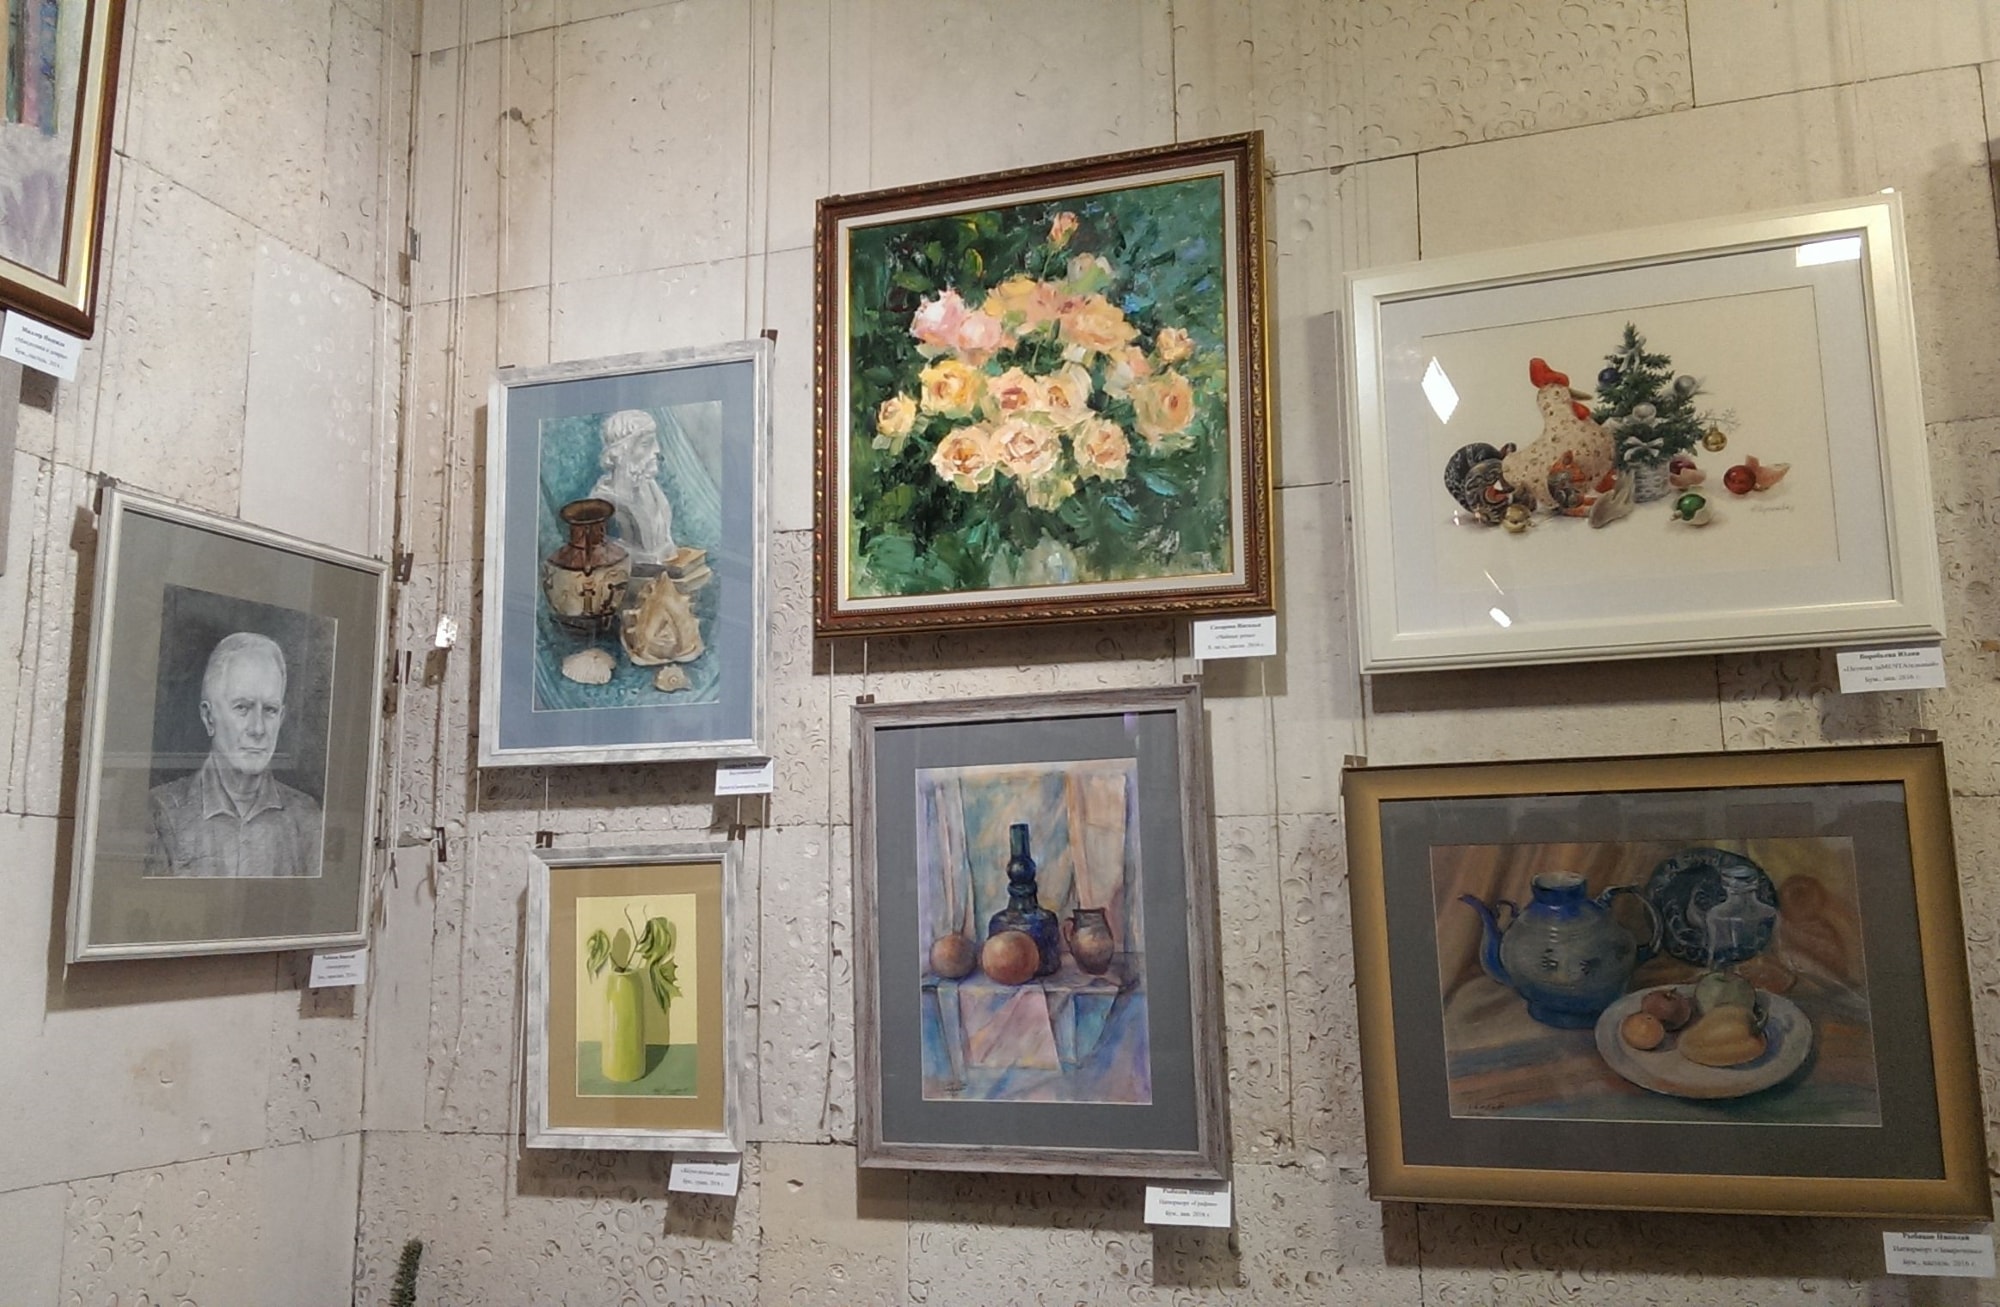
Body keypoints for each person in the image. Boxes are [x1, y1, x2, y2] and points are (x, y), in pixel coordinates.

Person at [145, 632, 323, 878]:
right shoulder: (162, 813)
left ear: (281, 718)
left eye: (270, 710)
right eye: (242, 708)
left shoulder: (306, 818)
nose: (258, 729)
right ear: (209, 717)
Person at [590, 408, 677, 568]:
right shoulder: (602, 502)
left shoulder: (649, 486)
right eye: (646, 444)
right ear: (621, 453)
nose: (657, 449)